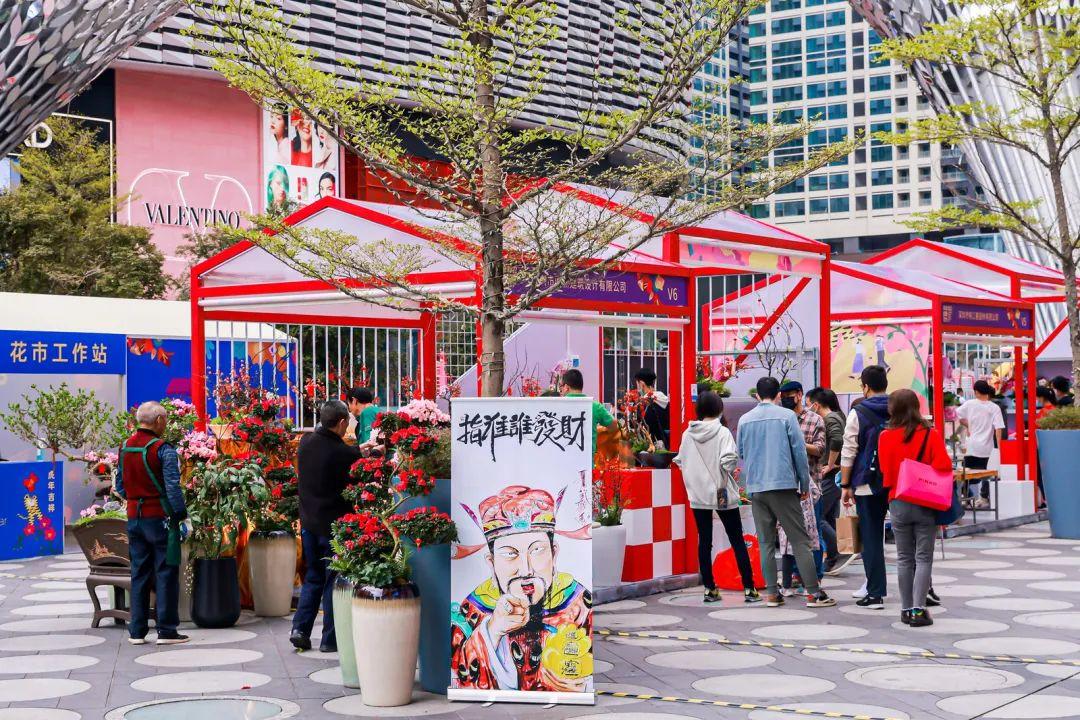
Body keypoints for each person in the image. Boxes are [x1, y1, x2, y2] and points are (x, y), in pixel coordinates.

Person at [450, 485, 591, 691]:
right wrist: (493, 631)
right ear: (491, 562)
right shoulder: (473, 609)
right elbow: (459, 675)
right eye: (510, 554)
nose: (526, 570)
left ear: (554, 554)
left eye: (537, 550)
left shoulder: (579, 604)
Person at [737, 376, 836, 608]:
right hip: (783, 485)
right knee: (800, 540)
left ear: (757, 395)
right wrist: (804, 483)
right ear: (779, 395)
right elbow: (799, 453)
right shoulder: (787, 416)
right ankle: (814, 594)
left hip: (757, 487)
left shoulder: (744, 419)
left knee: (766, 543)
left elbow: (741, 452)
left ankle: (772, 594)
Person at [674, 391, 761, 604]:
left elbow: (680, 461)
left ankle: (709, 589)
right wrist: (723, 472)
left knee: (705, 541)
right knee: (736, 539)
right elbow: (729, 461)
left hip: (698, 495)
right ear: (719, 409)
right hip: (721, 492)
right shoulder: (722, 432)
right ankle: (749, 589)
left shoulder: (688, 434)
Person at [115, 401, 190, 645]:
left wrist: (136, 499)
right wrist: (181, 515)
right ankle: (166, 630)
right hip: (159, 519)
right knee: (166, 572)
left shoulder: (125, 447)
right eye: (165, 420)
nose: (165, 424)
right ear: (158, 421)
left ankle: (137, 632)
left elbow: (119, 486)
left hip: (134, 518)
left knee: (139, 573)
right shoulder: (163, 449)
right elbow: (172, 488)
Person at [292, 400, 363, 652]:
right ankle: (329, 640)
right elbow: (353, 467)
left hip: (308, 523)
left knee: (313, 577)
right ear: (342, 422)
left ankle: (300, 629)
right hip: (334, 527)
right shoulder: (344, 453)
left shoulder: (305, 443)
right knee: (334, 581)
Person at [878, 389, 952, 627]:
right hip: (924, 501)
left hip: (897, 500)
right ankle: (919, 611)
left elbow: (884, 470)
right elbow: (944, 465)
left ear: (893, 409)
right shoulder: (930, 434)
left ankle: (905, 609)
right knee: (923, 558)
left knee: (904, 558)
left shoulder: (885, 436)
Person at [841, 365, 890, 609]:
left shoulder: (858, 412)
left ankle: (875, 593)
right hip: (898, 481)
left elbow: (849, 450)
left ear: (866, 387)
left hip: (867, 482)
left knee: (871, 537)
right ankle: (923, 591)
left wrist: (845, 484)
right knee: (910, 539)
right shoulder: (899, 407)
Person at [778, 380, 825, 592]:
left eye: (790, 395)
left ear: (799, 394)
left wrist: (797, 442)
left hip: (811, 485)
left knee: (813, 533)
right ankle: (795, 575)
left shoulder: (814, 419)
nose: (786, 399)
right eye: (783, 396)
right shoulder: (780, 418)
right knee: (789, 533)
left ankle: (815, 577)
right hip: (787, 485)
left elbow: (820, 449)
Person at [807, 387, 847, 573]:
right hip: (834, 475)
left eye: (809, 405)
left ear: (816, 405)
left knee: (819, 517)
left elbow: (837, 440)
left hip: (829, 475)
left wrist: (830, 464)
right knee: (829, 516)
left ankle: (838, 548)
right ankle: (832, 558)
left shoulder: (830, 419)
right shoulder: (837, 416)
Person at [956, 380, 1005, 510]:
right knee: (987, 474)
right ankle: (984, 498)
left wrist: (969, 425)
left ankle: (965, 499)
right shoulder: (994, 408)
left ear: (976, 392)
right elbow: (998, 429)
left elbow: (957, 415)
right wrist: (999, 448)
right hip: (986, 448)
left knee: (967, 474)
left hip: (971, 446)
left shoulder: (969, 404)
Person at [559, 369, 618, 461]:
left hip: (562, 461)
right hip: (587, 462)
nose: (561, 390)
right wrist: (598, 429)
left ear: (566, 387)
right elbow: (614, 426)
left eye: (561, 387)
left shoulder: (557, 406)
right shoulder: (595, 406)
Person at [633, 367, 670, 449]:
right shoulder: (665, 400)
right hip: (666, 444)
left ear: (641, 383)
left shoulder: (643, 404)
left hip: (650, 446)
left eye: (637, 383)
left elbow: (640, 427)